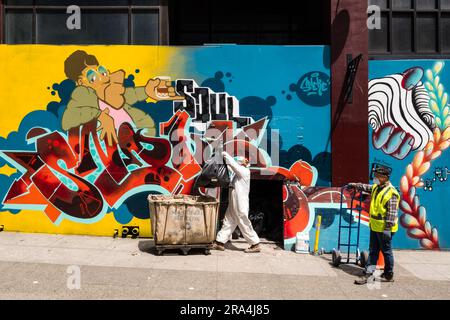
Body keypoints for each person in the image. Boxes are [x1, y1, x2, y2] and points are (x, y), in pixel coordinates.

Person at [347, 166, 399, 284]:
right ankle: (369, 273)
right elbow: (366, 187)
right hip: (375, 226)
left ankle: (388, 274)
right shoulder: (376, 187)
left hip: (385, 228)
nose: (375, 178)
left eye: (377, 176)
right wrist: (355, 185)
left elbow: (391, 214)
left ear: (384, 177)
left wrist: (387, 230)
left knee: (386, 252)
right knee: (373, 251)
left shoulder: (391, 193)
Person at [212, 151, 261, 253]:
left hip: (240, 203)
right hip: (234, 202)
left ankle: (255, 243)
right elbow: (230, 167)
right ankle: (219, 242)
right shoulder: (237, 173)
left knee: (243, 222)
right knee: (228, 221)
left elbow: (233, 165)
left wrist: (224, 154)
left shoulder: (244, 171)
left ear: (240, 164)